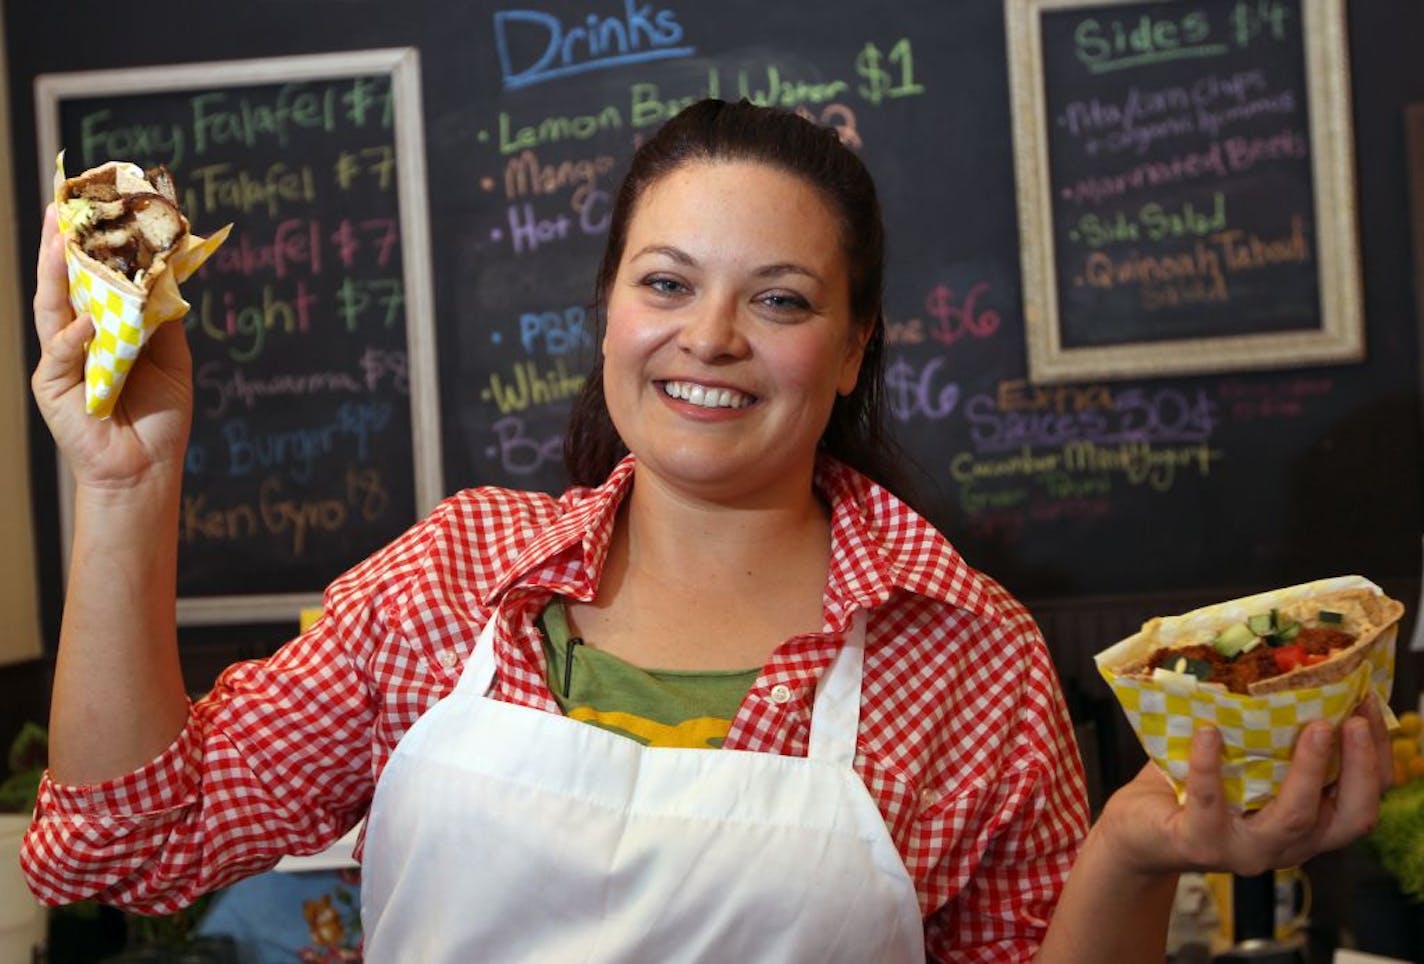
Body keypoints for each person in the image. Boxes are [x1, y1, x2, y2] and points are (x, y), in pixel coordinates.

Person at [25, 99, 1391, 962]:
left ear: (854, 348)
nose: (712, 340)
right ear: (610, 311)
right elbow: (118, 847)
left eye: (783, 301)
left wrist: (1131, 854)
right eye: (666, 281)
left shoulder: (968, 655)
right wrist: (124, 492)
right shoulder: (455, 576)